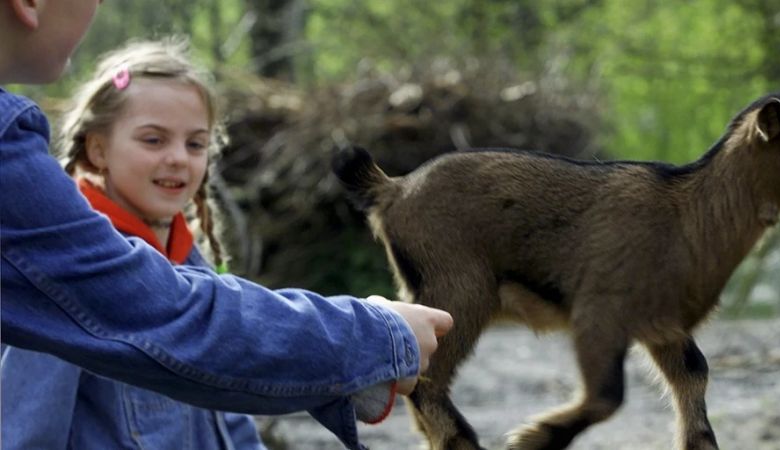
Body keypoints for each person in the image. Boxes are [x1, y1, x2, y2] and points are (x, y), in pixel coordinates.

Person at [0, 2, 452, 449]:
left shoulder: (187, 257)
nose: (177, 157)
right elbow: (27, 431)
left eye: (196, 143)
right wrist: (376, 336)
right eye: (153, 139)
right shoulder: (49, 277)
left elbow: (229, 411)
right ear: (97, 150)